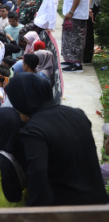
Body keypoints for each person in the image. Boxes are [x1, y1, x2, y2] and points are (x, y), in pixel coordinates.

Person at [6, 73, 107, 206]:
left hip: (67, 208)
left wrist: (34, 211)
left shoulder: (34, 129)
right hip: (97, 201)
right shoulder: (78, 114)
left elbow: (37, 174)